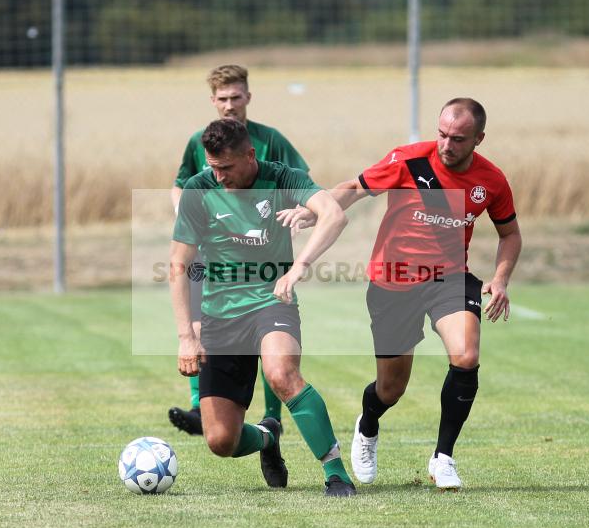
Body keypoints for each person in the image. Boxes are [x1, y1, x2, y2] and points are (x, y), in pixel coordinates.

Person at [278, 98, 522, 491]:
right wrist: (318, 210)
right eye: (441, 134)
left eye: (458, 139)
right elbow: (353, 189)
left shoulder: (491, 181)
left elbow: (509, 234)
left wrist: (500, 278)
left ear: (479, 138)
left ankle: (443, 457)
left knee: (466, 355)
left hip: (449, 277)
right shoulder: (408, 161)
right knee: (390, 389)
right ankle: (369, 422)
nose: (446, 144)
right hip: (393, 283)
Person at [169, 118, 356, 497]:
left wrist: (300, 265)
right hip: (220, 316)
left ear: (250, 156)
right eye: (212, 166)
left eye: (226, 167)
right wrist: (187, 336)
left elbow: (334, 214)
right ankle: (268, 439)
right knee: (220, 441)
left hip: (272, 302)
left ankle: (335, 472)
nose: (218, 176)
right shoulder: (198, 189)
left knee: (282, 374)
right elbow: (178, 265)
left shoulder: (281, 177)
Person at [169, 64, 310, 437]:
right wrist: (187, 216)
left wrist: (301, 210)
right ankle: (202, 408)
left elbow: (303, 182)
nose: (230, 105)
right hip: (212, 250)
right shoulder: (202, 141)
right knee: (200, 322)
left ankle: (270, 416)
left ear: (248, 96)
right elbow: (180, 185)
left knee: (269, 340)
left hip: (261, 256)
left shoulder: (269, 140)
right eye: (223, 98)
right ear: (213, 101)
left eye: (236, 97)